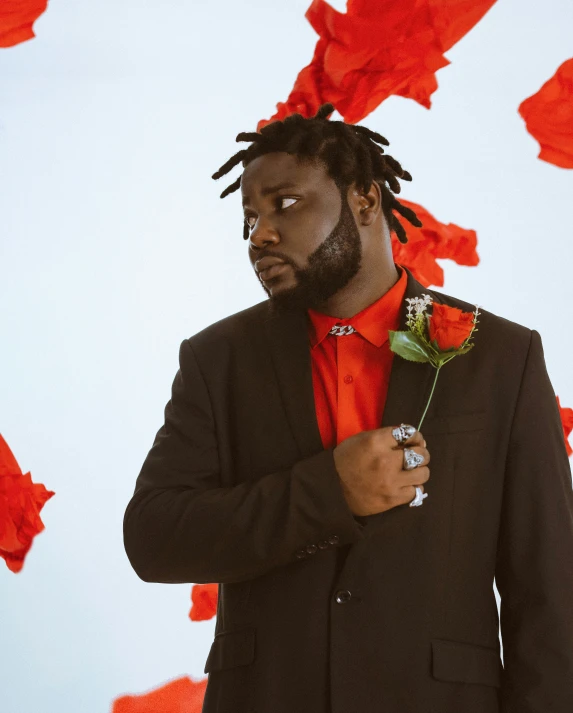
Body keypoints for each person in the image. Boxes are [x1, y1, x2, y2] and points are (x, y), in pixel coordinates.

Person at [123, 104, 573, 713]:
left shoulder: (500, 357)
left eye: (284, 204)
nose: (260, 234)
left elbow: (547, 593)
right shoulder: (218, 359)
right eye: (249, 217)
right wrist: (328, 494)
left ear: (363, 199)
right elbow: (153, 537)